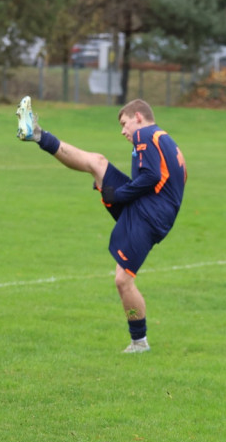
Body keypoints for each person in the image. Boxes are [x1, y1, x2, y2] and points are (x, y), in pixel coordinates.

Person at [15, 96, 187, 353]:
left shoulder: (146, 135)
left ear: (138, 117)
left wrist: (120, 196)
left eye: (125, 123)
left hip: (148, 216)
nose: (123, 131)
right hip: (148, 210)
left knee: (122, 280)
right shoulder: (163, 139)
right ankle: (37, 134)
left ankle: (139, 342)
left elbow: (151, 177)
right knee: (97, 162)